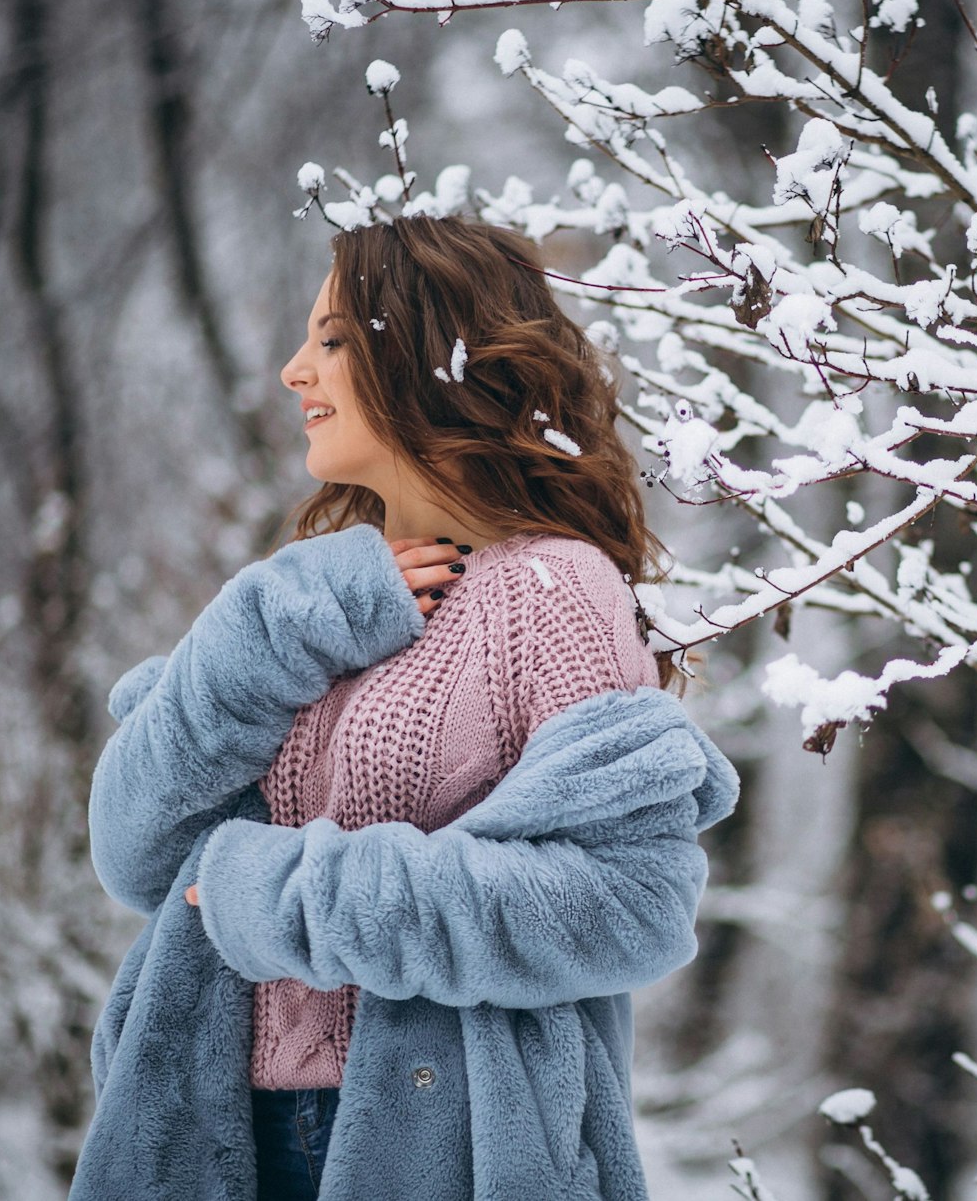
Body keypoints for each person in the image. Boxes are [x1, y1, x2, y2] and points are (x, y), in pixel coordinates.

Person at [70, 215, 739, 1201]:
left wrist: (292, 896)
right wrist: (263, 623)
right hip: (208, 1129)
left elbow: (627, 900)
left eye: (332, 338)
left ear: (429, 354)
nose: (296, 369)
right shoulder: (308, 609)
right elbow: (134, 849)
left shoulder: (551, 591)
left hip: (436, 1140)